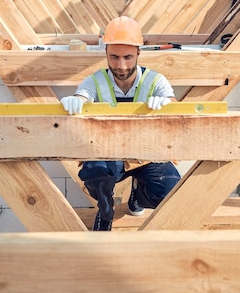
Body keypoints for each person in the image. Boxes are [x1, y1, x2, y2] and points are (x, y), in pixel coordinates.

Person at [61, 16, 181, 231]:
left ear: (138, 53)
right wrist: (75, 101)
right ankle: (106, 210)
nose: (121, 65)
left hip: (147, 155)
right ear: (106, 53)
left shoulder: (155, 80)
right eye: (114, 57)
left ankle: (139, 194)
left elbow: (176, 106)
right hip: (109, 154)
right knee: (93, 171)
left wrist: (168, 105)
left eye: (128, 57)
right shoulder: (95, 81)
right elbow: (82, 97)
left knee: (171, 193)